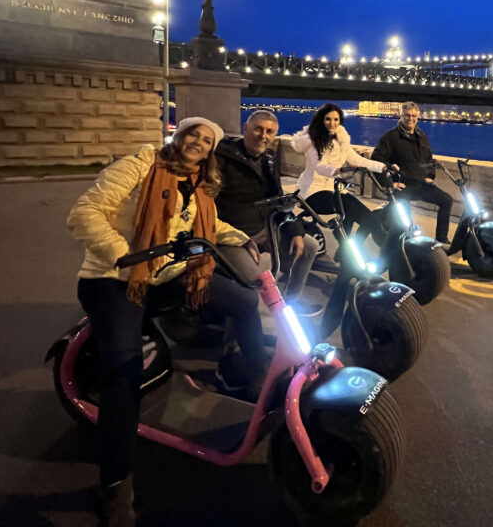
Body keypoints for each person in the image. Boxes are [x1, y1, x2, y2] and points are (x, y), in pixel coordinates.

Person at [66, 117, 259, 526]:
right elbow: (85, 212)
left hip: (166, 275)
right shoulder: (142, 165)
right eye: (193, 133)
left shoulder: (200, 185)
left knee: (244, 300)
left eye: (207, 141)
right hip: (116, 279)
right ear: (178, 135)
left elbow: (202, 225)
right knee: (124, 369)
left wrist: (238, 236)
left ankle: (246, 373)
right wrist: (123, 252)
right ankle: (115, 485)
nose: (199, 142)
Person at [215, 109, 321, 355]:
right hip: (233, 235)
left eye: (270, 131)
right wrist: (234, 237)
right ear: (245, 128)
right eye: (258, 129)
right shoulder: (222, 158)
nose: (263, 136)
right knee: (253, 277)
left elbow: (277, 200)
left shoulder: (269, 159)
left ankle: (289, 305)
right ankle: (233, 346)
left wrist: (294, 229)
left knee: (309, 246)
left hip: (264, 227)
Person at [290, 103, 387, 249]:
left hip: (334, 189)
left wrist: (383, 167)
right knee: (350, 207)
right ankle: (349, 250)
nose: (332, 123)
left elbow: (358, 160)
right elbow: (319, 166)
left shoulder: (341, 139)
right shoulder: (313, 140)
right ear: (321, 120)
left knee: (365, 216)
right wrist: (338, 170)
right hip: (312, 191)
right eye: (328, 119)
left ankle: (347, 250)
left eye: (336, 119)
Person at [371, 101, 454, 244]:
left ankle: (441, 238)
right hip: (403, 186)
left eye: (414, 116)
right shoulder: (390, 137)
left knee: (446, 200)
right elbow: (376, 160)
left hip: (421, 184)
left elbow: (429, 158)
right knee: (405, 218)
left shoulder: (422, 136)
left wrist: (430, 175)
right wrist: (390, 183)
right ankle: (403, 244)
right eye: (407, 116)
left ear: (418, 117)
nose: (411, 119)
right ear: (401, 116)